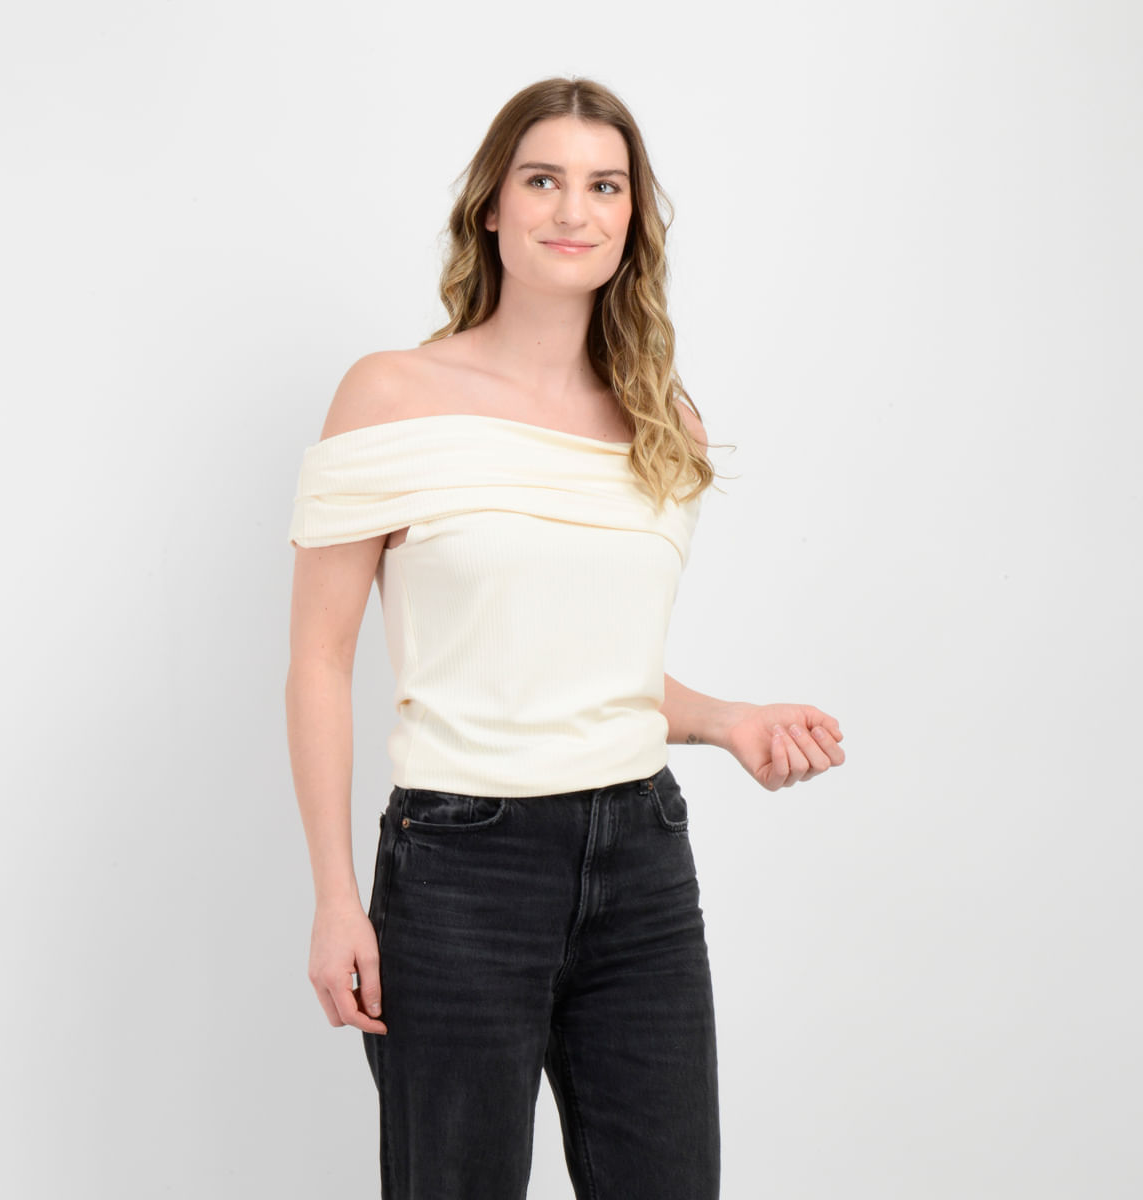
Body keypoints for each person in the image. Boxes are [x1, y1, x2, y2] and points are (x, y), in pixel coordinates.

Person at [285, 75, 845, 1200]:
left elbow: (586, 663)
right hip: (461, 866)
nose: (573, 210)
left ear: (633, 218)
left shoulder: (663, 421)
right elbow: (321, 660)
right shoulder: (392, 395)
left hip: (642, 860)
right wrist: (336, 897)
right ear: (492, 205)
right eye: (543, 180)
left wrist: (727, 720)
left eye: (605, 186)